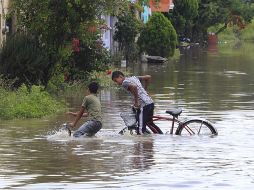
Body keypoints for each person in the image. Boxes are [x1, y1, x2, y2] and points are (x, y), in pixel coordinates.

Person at [111, 71, 163, 135]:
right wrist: (145, 90)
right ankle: (161, 135)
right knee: (149, 123)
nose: (117, 83)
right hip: (150, 103)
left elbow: (134, 87)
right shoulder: (134, 78)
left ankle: (140, 144)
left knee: (140, 131)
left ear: (120, 77)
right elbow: (148, 77)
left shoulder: (124, 83)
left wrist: (136, 102)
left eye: (116, 81)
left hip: (143, 106)